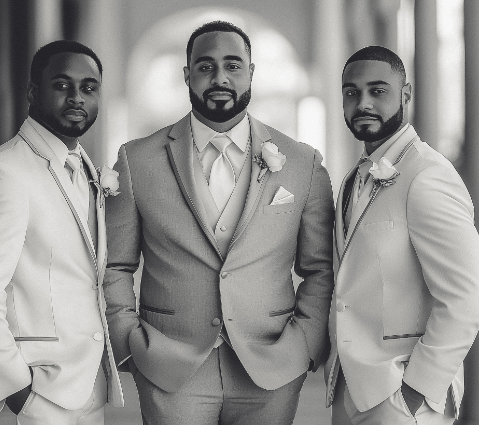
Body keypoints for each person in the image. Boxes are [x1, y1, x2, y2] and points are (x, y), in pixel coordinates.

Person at [103, 20, 334, 425]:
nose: (220, 77)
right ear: (187, 74)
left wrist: (305, 343)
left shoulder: (302, 163)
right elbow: (115, 265)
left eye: (233, 65)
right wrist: (128, 343)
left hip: (272, 366)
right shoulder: (136, 160)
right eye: (206, 66)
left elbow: (319, 268)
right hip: (169, 366)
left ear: (251, 72)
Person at [0, 40, 123, 425]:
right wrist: (16, 389)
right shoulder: (5, 172)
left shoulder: (84, 168)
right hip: (34, 389)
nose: (77, 97)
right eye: (61, 85)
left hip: (83, 385)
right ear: (32, 91)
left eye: (89, 87)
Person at [325, 45, 479, 425]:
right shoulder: (353, 177)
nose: (363, 103)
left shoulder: (428, 176)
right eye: (351, 92)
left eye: (378, 91)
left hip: (401, 398)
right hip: (350, 388)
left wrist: (415, 393)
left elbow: (464, 299)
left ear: (405, 94)